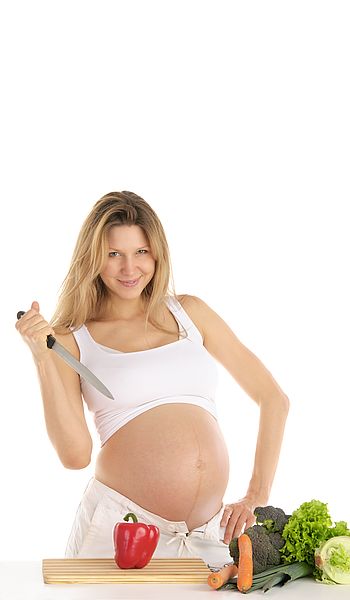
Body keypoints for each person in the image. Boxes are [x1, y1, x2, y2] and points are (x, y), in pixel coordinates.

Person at [15, 190, 290, 567]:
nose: (130, 268)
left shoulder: (190, 313)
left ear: (157, 253)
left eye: (140, 252)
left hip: (207, 535)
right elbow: (75, 456)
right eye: (114, 254)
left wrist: (256, 494)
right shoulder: (70, 340)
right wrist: (43, 359)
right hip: (120, 530)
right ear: (92, 258)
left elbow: (273, 398)